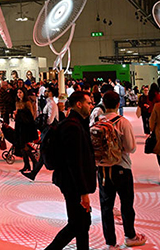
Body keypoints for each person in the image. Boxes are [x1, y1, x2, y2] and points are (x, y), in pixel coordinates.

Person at [44, 91, 96, 250]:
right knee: (76, 224)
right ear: (79, 104)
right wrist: (83, 192)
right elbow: (74, 162)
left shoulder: (76, 124)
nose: (91, 106)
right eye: (88, 103)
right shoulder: (72, 127)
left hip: (72, 182)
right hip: (72, 184)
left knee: (82, 224)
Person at [96, 91, 147, 249]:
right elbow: (130, 147)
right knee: (126, 204)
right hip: (121, 167)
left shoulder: (97, 121)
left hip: (102, 169)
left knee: (106, 207)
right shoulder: (123, 122)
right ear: (118, 104)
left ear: (104, 104)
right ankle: (130, 236)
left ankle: (110, 243)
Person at [14, 88, 37, 173]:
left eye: (20, 92)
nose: (19, 94)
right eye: (18, 92)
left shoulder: (27, 103)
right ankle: (27, 164)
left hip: (25, 127)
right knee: (22, 146)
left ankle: (33, 161)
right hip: (19, 126)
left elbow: (30, 115)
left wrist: (19, 114)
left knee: (24, 146)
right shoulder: (17, 102)